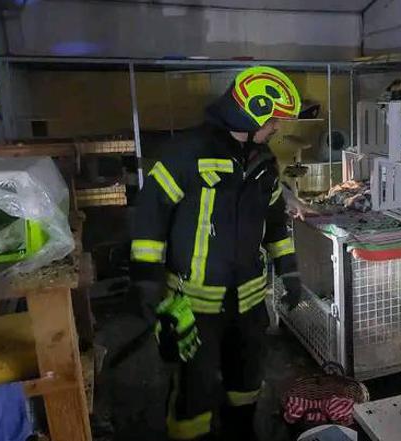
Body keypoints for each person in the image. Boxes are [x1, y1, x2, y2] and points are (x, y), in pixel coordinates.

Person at [129, 66, 304, 441]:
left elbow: (275, 223)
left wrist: (289, 271)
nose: (276, 127)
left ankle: (240, 432)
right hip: (195, 307)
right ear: (250, 113)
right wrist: (146, 281)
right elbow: (149, 218)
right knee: (194, 391)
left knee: (247, 382)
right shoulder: (186, 153)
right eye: (272, 119)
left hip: (249, 304)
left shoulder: (264, 163)